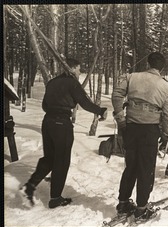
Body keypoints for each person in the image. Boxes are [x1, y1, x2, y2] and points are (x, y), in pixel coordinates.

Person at [20, 58, 108, 208]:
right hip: (62, 124)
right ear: (72, 68)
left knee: (50, 158)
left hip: (47, 122)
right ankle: (55, 198)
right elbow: (85, 103)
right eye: (79, 69)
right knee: (61, 160)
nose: (80, 72)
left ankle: (29, 186)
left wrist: (55, 111)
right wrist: (100, 111)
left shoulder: (52, 82)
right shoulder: (73, 83)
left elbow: (44, 105)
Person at [111, 52, 168, 221]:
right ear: (162, 67)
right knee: (145, 169)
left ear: (148, 63)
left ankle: (123, 203)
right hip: (150, 130)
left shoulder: (131, 77)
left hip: (131, 127)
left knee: (130, 166)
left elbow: (117, 95)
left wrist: (120, 119)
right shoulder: (166, 86)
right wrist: (167, 133)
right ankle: (141, 208)